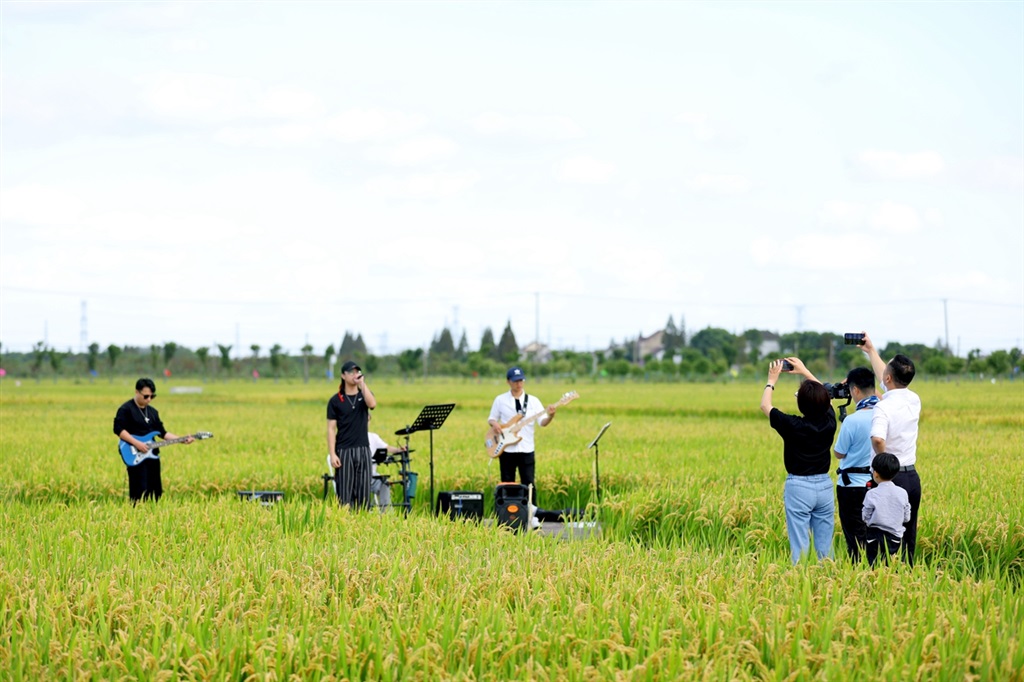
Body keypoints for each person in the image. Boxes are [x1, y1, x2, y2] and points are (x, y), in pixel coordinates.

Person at [761, 358, 837, 564]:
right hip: (824, 486)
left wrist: (771, 380)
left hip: (799, 487)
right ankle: (830, 582)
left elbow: (765, 405)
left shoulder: (792, 424)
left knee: (800, 544)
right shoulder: (830, 421)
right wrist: (805, 371)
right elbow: (825, 396)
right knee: (825, 546)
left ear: (800, 403)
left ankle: (801, 582)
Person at [860, 332, 922, 565]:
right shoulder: (914, 399)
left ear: (887, 378)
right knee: (907, 532)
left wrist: (884, 460)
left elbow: (877, 438)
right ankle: (907, 573)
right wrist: (871, 350)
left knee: (881, 535)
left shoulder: (883, 407)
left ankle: (882, 578)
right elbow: (887, 382)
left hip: (889, 478)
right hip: (911, 477)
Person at [487, 366, 558, 513]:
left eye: (521, 380)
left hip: (526, 449)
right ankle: (507, 514)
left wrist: (550, 415)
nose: (518, 384)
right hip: (506, 449)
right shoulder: (500, 400)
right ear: (508, 382)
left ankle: (533, 515)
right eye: (515, 381)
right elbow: (492, 418)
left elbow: (542, 422)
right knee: (507, 483)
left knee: (529, 483)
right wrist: (496, 426)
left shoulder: (533, 401)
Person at [113, 378, 193, 503]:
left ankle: (153, 514)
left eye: (152, 396)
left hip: (152, 455)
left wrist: (181, 439)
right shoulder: (126, 409)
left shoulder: (153, 412)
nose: (149, 399)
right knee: (139, 491)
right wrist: (137, 443)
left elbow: (162, 433)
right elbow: (118, 429)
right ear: (137, 392)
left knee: (156, 491)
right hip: (135, 455)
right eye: (145, 396)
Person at [833, 367, 879, 562]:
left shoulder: (852, 421)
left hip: (851, 486)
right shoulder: (883, 414)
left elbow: (838, 453)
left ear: (855, 391)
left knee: (855, 537)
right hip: (878, 482)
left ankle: (858, 573)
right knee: (875, 533)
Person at [326, 360, 377, 509]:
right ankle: (344, 526)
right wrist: (332, 454)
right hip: (344, 450)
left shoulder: (364, 395)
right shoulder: (335, 401)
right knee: (344, 496)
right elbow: (331, 429)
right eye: (352, 372)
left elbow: (372, 404)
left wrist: (362, 385)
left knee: (364, 494)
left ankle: (362, 525)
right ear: (343, 375)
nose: (355, 374)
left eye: (357, 372)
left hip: (363, 449)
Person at [862, 452, 912, 566]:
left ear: (875, 473)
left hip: (873, 537)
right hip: (895, 537)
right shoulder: (902, 493)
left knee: (873, 567)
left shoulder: (871, 494)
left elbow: (865, 516)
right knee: (893, 568)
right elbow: (907, 517)